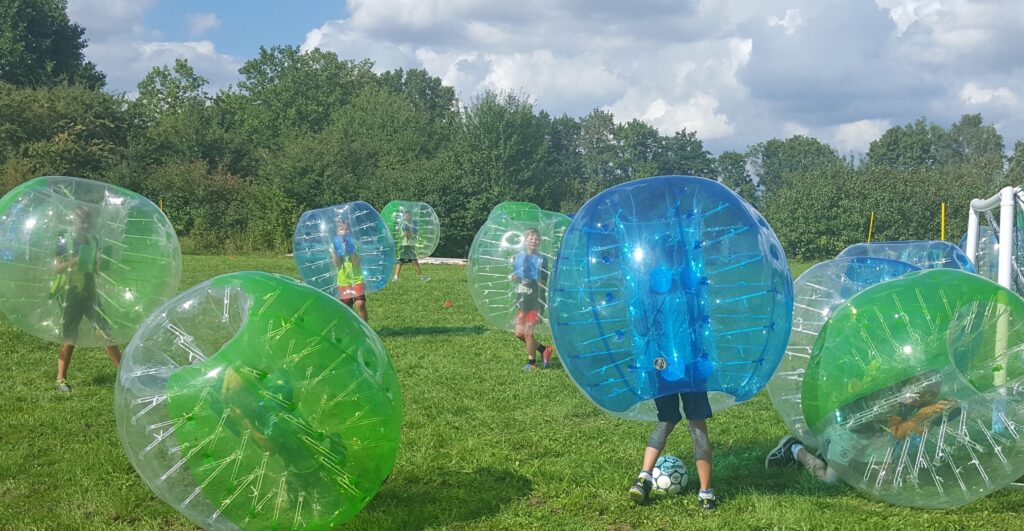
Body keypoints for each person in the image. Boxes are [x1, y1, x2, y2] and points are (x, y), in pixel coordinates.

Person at [765, 371, 955, 484]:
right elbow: (897, 432)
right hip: (850, 432)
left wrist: (939, 409)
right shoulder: (889, 401)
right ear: (915, 394)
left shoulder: (912, 394)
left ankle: (829, 453)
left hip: (876, 435)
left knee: (884, 478)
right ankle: (794, 449)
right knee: (829, 480)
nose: (931, 400)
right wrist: (923, 415)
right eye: (927, 398)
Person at [54, 206, 121, 393]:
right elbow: (58, 269)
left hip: (90, 292)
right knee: (70, 336)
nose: (85, 225)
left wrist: (100, 260)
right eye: (81, 221)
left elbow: (95, 269)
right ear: (73, 221)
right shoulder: (64, 240)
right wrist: (75, 261)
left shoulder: (93, 240)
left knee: (105, 332)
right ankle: (60, 379)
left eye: (88, 221)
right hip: (70, 293)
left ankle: (123, 375)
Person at [628, 393, 716, 510]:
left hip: (664, 375)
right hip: (690, 376)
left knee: (667, 421)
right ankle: (706, 496)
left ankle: (643, 480)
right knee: (697, 424)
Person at [511, 228, 554, 370]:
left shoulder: (542, 259)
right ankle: (543, 349)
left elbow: (544, 282)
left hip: (536, 300)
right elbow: (515, 278)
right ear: (524, 241)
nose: (534, 241)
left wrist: (537, 276)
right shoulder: (518, 258)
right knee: (519, 334)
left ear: (539, 242)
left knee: (528, 332)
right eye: (531, 238)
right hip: (522, 299)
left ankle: (532, 363)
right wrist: (516, 277)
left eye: (536, 239)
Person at [332, 219, 368, 321]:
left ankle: (366, 329)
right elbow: (337, 264)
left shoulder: (354, 243)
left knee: (360, 304)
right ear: (337, 231)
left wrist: (351, 248)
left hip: (357, 278)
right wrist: (335, 252)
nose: (344, 231)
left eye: (347, 229)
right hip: (343, 280)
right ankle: (352, 329)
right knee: (347, 308)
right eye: (341, 229)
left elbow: (356, 263)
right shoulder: (334, 244)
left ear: (350, 231)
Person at [392, 209, 429, 282]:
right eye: (405, 215)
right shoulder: (404, 224)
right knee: (413, 261)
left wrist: (413, 231)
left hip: (409, 244)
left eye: (407, 214)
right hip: (406, 244)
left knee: (402, 260)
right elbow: (407, 236)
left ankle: (396, 277)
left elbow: (415, 234)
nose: (406, 216)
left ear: (410, 215)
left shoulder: (412, 223)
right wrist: (412, 231)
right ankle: (421, 277)